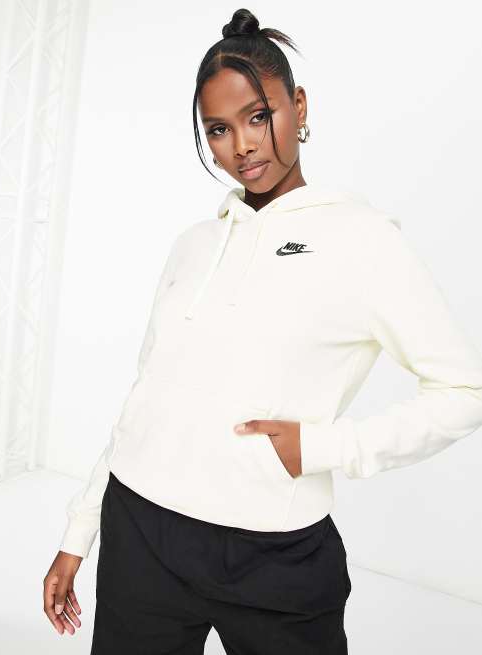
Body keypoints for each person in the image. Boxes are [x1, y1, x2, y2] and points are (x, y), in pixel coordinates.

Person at [43, 8, 482, 653]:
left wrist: (326, 448)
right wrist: (77, 532)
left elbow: (464, 391)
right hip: (140, 531)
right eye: (218, 130)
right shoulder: (193, 244)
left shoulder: (363, 240)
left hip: (274, 554)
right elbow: (146, 399)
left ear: (297, 106)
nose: (242, 146)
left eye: (258, 116)